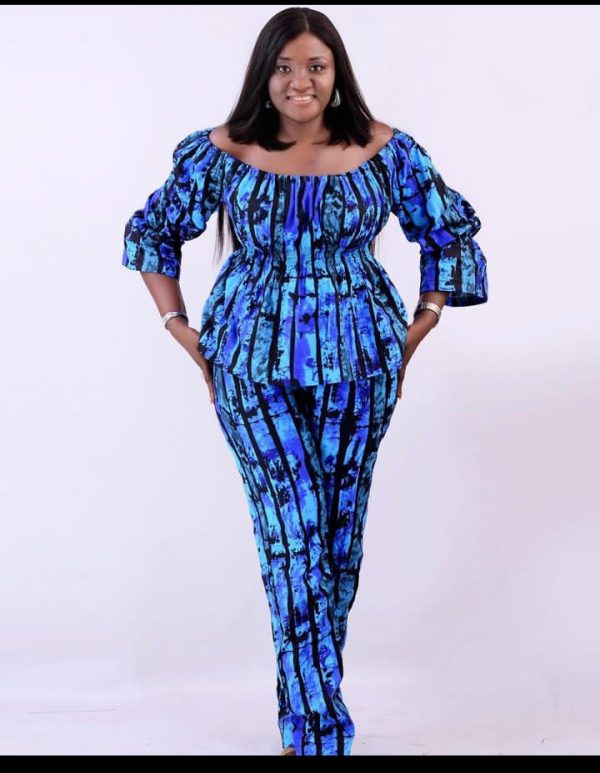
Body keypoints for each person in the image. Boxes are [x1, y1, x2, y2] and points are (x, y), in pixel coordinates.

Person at [121, 6, 488, 757]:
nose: (300, 81)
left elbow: (449, 232)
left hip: (362, 364)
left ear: (336, 72)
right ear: (264, 75)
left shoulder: (385, 150)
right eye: (285, 67)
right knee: (291, 532)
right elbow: (152, 231)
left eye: (315, 66)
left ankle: (309, 710)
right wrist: (179, 326)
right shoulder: (222, 152)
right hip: (251, 364)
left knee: (337, 540)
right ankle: (316, 731)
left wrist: (420, 324)